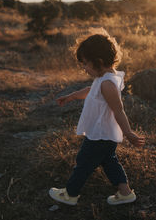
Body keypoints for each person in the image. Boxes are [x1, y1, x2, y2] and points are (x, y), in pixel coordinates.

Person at [49, 29, 145, 206]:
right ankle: (125, 193)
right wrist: (70, 97)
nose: (84, 68)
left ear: (99, 62)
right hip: (103, 134)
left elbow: (119, 111)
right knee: (109, 161)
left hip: (100, 134)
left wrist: (128, 132)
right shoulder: (102, 78)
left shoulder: (108, 84)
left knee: (84, 162)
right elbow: (88, 91)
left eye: (85, 63)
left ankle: (70, 194)